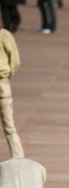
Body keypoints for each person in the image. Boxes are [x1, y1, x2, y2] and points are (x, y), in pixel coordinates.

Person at [0, 26, 24, 158]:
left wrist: (6, 76)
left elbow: (15, 61)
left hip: (2, 83)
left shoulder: (5, 35)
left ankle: (18, 158)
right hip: (3, 82)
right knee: (9, 126)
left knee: (9, 125)